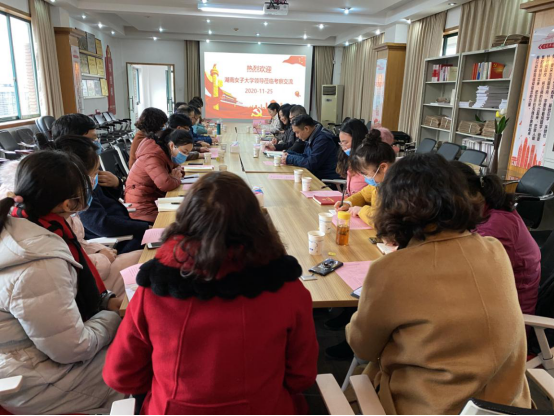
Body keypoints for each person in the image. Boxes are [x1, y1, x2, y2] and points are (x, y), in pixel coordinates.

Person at [104, 172, 319, 415]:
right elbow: (302, 376)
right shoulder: (287, 287)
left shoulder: (154, 289)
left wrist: (168, 387)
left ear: (185, 221)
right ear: (258, 222)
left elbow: (121, 376)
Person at [346, 153, 532, 415]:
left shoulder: (390, 270)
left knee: (366, 373)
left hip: (432, 406)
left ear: (392, 206)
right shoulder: (494, 249)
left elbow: (363, 347)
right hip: (509, 405)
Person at [0, 151, 123, 414]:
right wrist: (113, 318)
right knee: (139, 362)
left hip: (27, 359)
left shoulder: (21, 225)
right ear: (70, 204)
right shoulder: (39, 261)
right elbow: (72, 348)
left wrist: (104, 303)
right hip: (33, 378)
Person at [48, 136, 145, 294]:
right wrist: (103, 256)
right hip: (108, 250)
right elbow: (101, 226)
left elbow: (80, 244)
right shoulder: (77, 196)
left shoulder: (72, 205)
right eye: (94, 173)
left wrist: (116, 184)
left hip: (103, 253)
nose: (96, 142)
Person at [454, 161, 541, 315]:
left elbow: (473, 281)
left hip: (509, 315)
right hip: (495, 304)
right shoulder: (487, 209)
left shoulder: (494, 226)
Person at [125, 129, 193, 223]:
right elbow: (165, 184)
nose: (185, 156)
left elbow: (178, 169)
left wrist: (176, 174)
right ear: (172, 145)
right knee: (181, 220)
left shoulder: (166, 152)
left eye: (188, 153)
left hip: (154, 200)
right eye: (184, 152)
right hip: (142, 206)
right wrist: (175, 178)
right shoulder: (152, 156)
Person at [52, 114, 122, 193]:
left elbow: (104, 197)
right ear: (71, 143)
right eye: (90, 140)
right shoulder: (70, 180)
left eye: (96, 138)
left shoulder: (91, 163)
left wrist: (116, 184)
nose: (96, 142)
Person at [282, 115, 340, 181]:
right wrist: (289, 154)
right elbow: (306, 156)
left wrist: (289, 158)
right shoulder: (312, 137)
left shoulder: (322, 140)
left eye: (297, 132)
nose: (296, 136)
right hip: (315, 176)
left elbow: (311, 164)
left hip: (325, 180)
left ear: (306, 129)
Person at [337, 119, 369, 195]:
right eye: (341, 143)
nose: (343, 147)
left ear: (357, 140)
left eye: (346, 142)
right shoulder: (350, 158)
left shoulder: (369, 161)